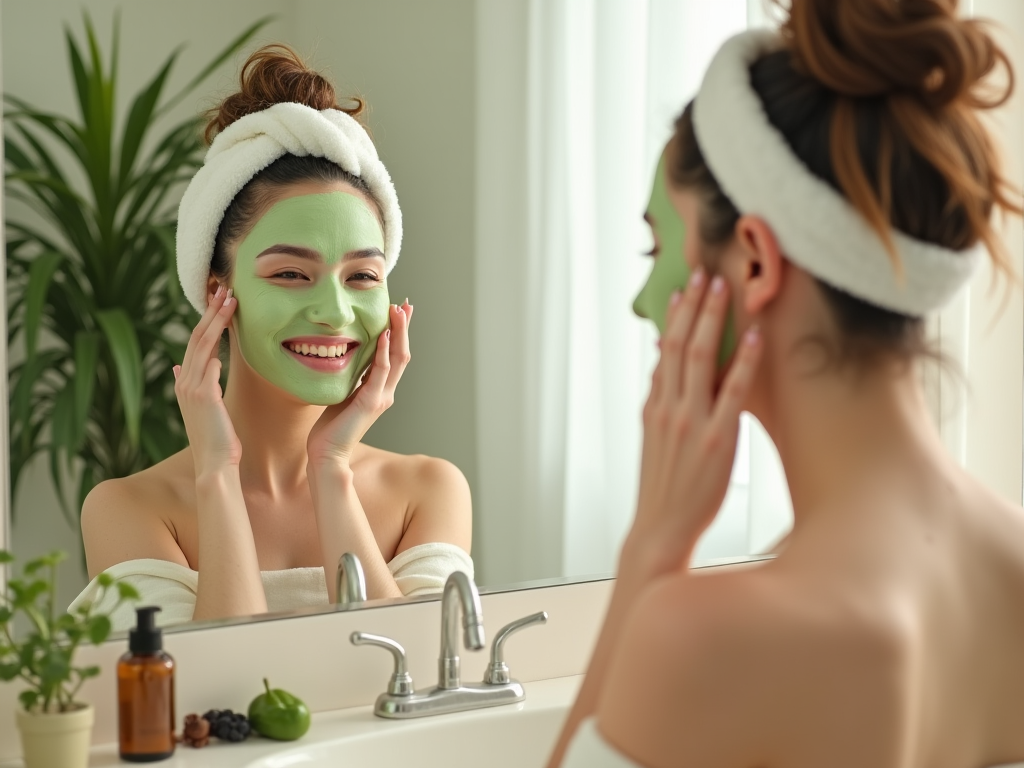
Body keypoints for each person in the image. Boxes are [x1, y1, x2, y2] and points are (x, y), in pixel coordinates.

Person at [551, 1, 1024, 766]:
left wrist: (652, 548)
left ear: (756, 261)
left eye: (654, 248)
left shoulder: (702, 637)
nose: (643, 304)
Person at [72, 45, 473, 630]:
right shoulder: (129, 509)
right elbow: (211, 698)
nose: (335, 313)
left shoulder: (429, 490)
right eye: (290, 273)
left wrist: (331, 467)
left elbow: (415, 686)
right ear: (218, 293)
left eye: (363, 276)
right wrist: (216, 472)